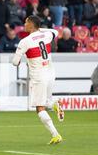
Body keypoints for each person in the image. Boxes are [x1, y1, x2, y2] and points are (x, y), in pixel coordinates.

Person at [12, 16, 65, 145]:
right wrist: (39, 28)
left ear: (31, 24)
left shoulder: (25, 41)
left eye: (26, 22)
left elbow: (14, 62)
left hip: (38, 77)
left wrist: (19, 61)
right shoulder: (47, 35)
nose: (24, 24)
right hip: (50, 73)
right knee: (46, 101)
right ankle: (54, 104)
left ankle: (55, 134)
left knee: (39, 108)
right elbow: (56, 32)